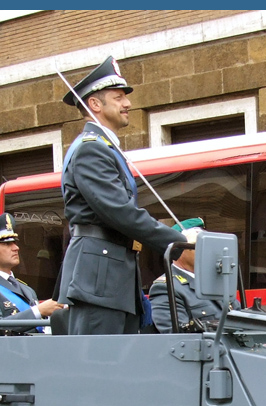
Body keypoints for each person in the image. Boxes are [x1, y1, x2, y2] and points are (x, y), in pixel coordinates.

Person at [58, 55, 187, 335]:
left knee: (118, 369)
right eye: (118, 97)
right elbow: (119, 211)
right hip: (98, 279)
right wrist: (180, 241)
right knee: (100, 369)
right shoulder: (91, 149)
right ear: (95, 105)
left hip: (111, 276)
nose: (127, 103)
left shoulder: (104, 148)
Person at [0, 214, 64, 333]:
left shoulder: (26, 289)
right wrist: (39, 311)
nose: (16, 248)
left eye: (14, 243)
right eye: (7, 244)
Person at [147, 218, 240, 333]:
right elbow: (178, 338)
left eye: (208, 246)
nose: (207, 251)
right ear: (178, 251)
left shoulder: (218, 280)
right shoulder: (166, 288)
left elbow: (240, 318)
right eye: (198, 246)